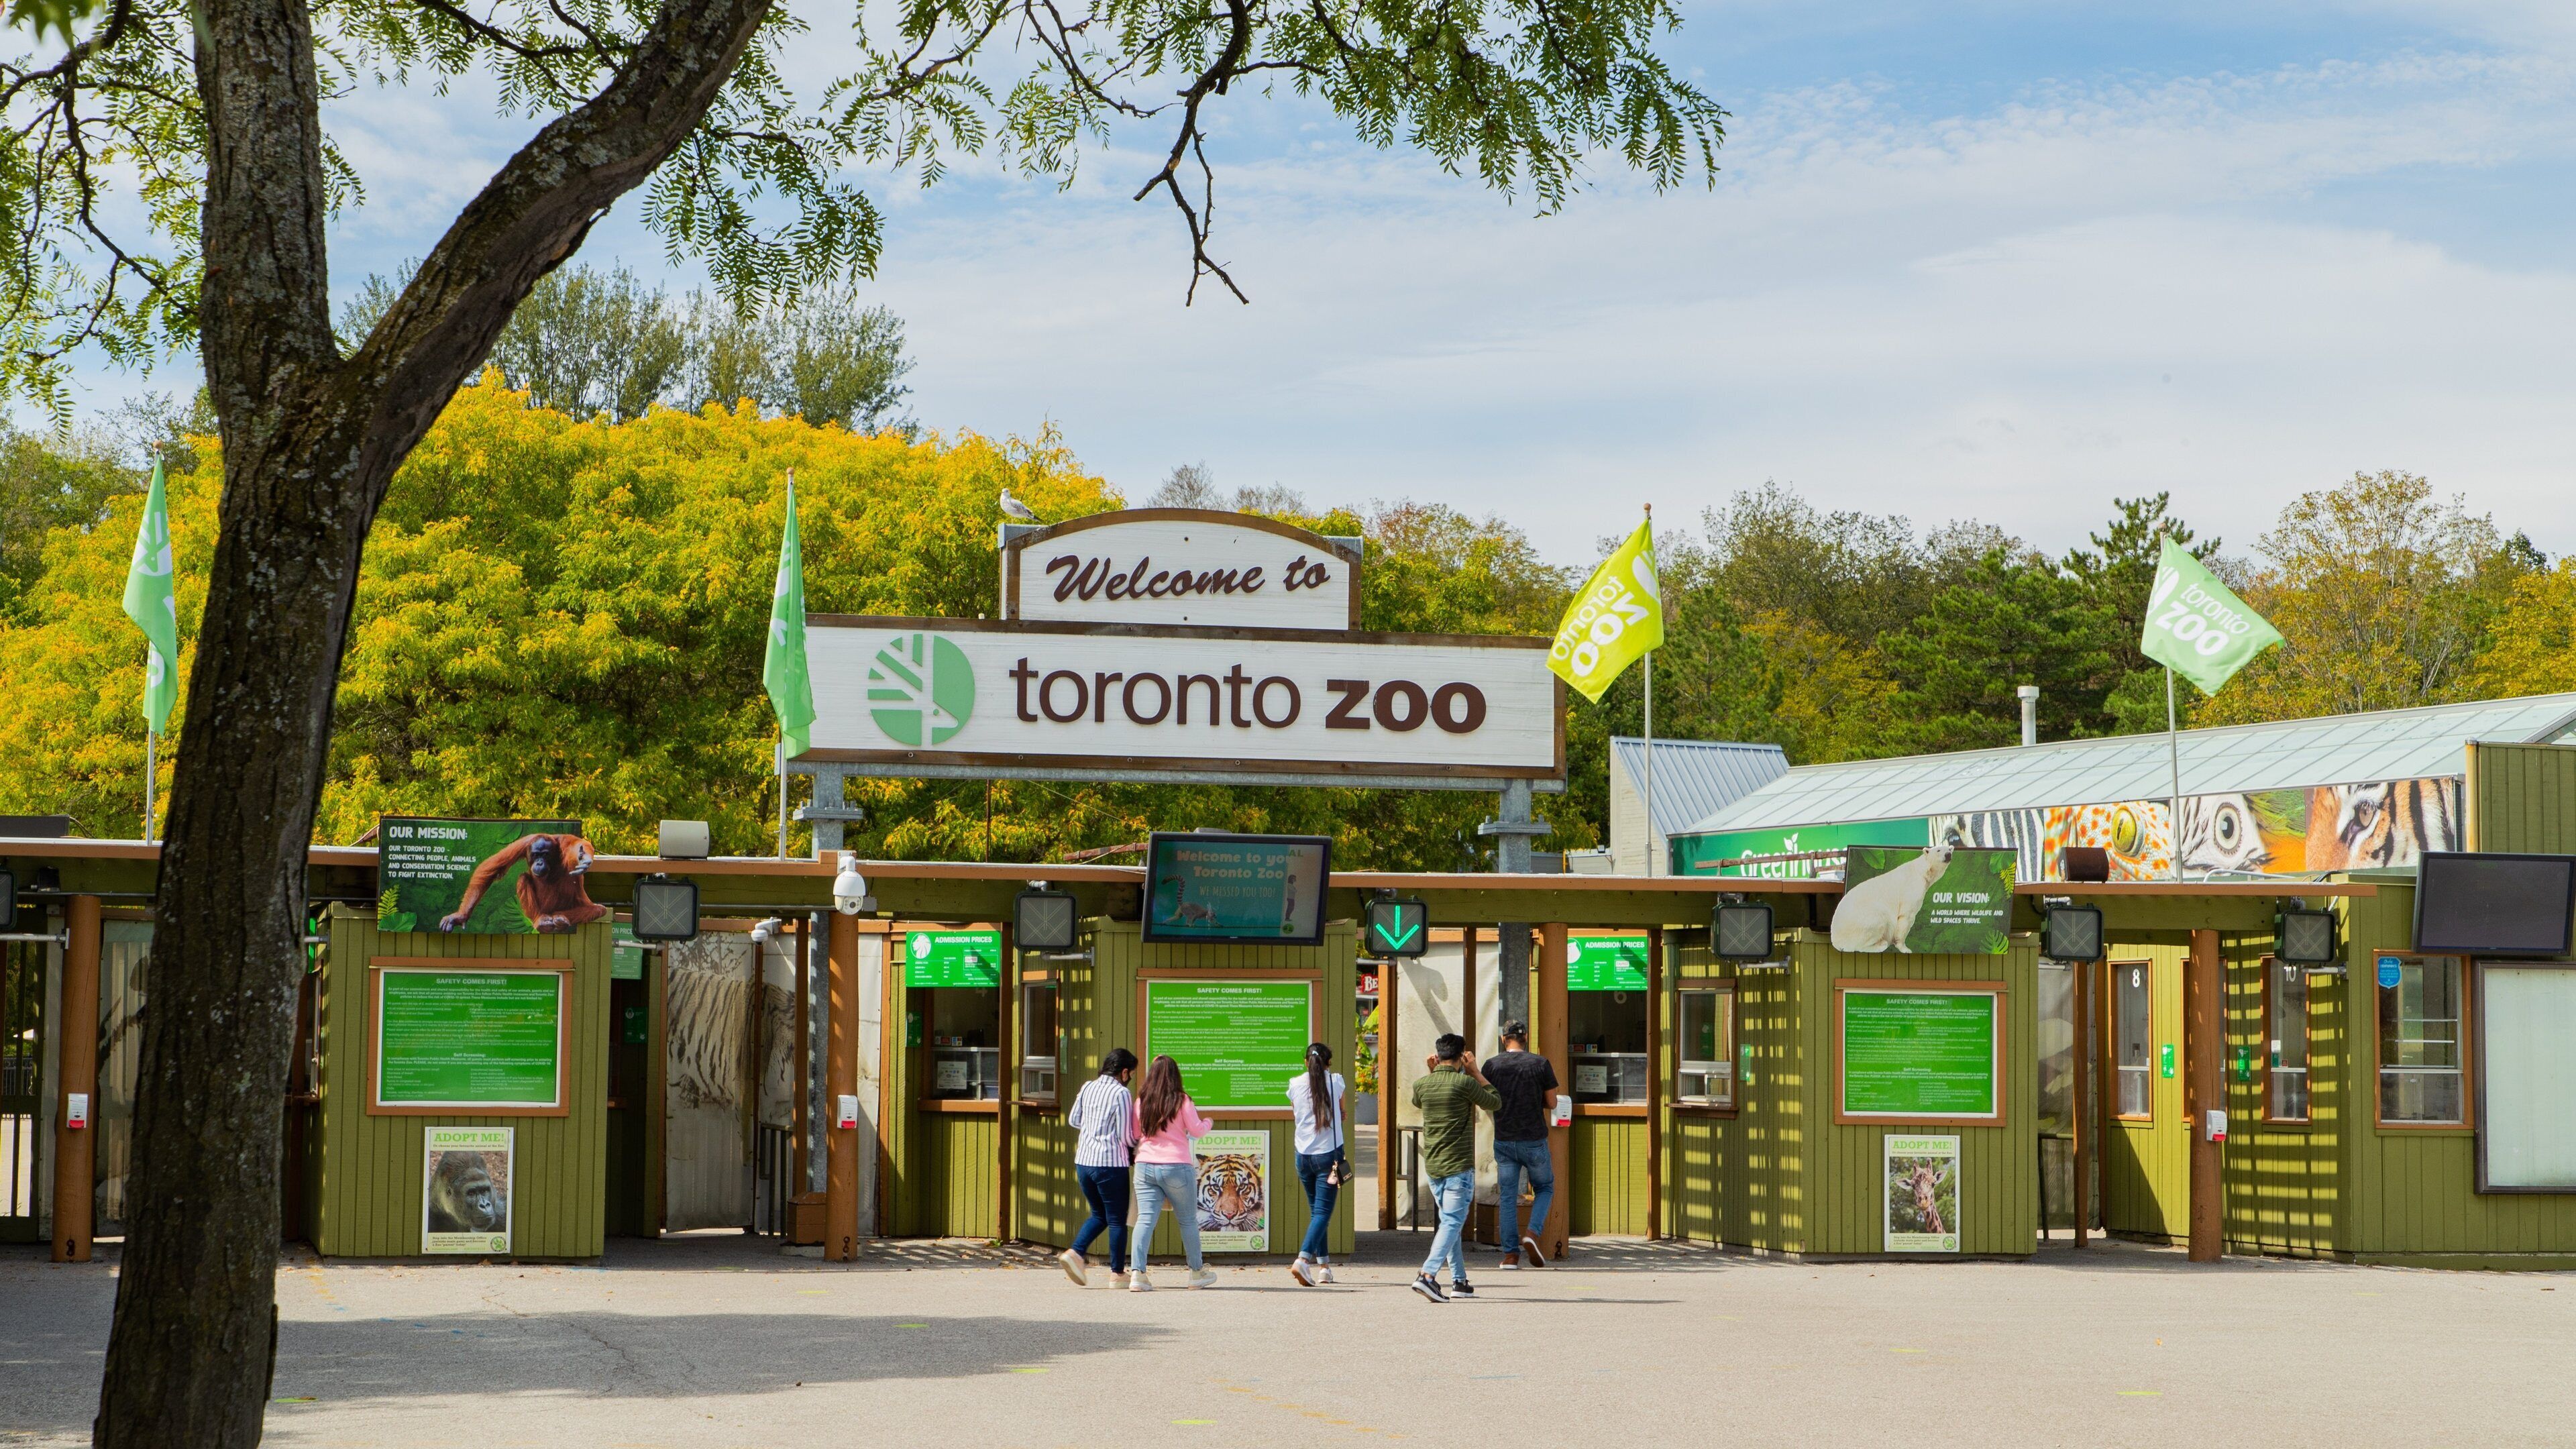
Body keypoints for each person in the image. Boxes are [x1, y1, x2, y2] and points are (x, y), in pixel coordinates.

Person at [1407, 1032, 1499, 1303]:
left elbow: (1418, 1101)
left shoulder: (1422, 1084)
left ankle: (1459, 1281)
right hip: (1458, 1165)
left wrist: (1431, 1072)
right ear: (1462, 1056)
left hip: (1434, 1166)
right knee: (1452, 1222)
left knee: (1451, 1223)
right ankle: (1427, 1276)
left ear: (1437, 1055)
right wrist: (1476, 1072)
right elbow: (1495, 1101)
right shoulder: (1464, 1084)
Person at [1128, 1054, 1220, 1291]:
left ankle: (1138, 1274)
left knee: (1145, 1220)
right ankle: (1196, 1273)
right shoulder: (1182, 1100)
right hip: (1177, 1166)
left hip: (1145, 1166)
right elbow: (1197, 1130)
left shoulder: (1142, 1101)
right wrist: (1209, 1122)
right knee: (1188, 1220)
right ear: (1174, 1075)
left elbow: (1137, 1133)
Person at [1481, 1019, 1558, 1269]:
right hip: (1534, 1139)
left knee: (1508, 1196)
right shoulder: (1541, 1063)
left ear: (1504, 1039)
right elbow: (1553, 1102)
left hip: (1504, 1139)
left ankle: (1510, 1256)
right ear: (1526, 1038)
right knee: (1544, 1187)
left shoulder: (1492, 1065)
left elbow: (1485, 1101)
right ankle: (1532, 1234)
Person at [1059, 1048, 1138, 1287]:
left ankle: (1075, 1253)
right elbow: (1126, 1135)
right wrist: (1138, 1147)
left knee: (1099, 1214)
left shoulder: (1087, 1087)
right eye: (1131, 1073)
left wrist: (1094, 1128)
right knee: (1116, 1219)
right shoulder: (1121, 1093)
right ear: (1124, 1072)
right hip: (1110, 1164)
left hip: (1084, 1162)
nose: (1131, 1078)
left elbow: (1074, 1119)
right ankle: (1117, 1273)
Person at [1286, 1041, 1348, 1287]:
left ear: (1305, 1062)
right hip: (1329, 1158)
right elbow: (1342, 1112)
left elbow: (1295, 1110)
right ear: (1328, 1063)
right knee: (1322, 1213)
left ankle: (1324, 1267)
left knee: (1317, 1213)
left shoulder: (1294, 1084)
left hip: (1303, 1157)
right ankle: (1303, 1260)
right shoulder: (1336, 1081)